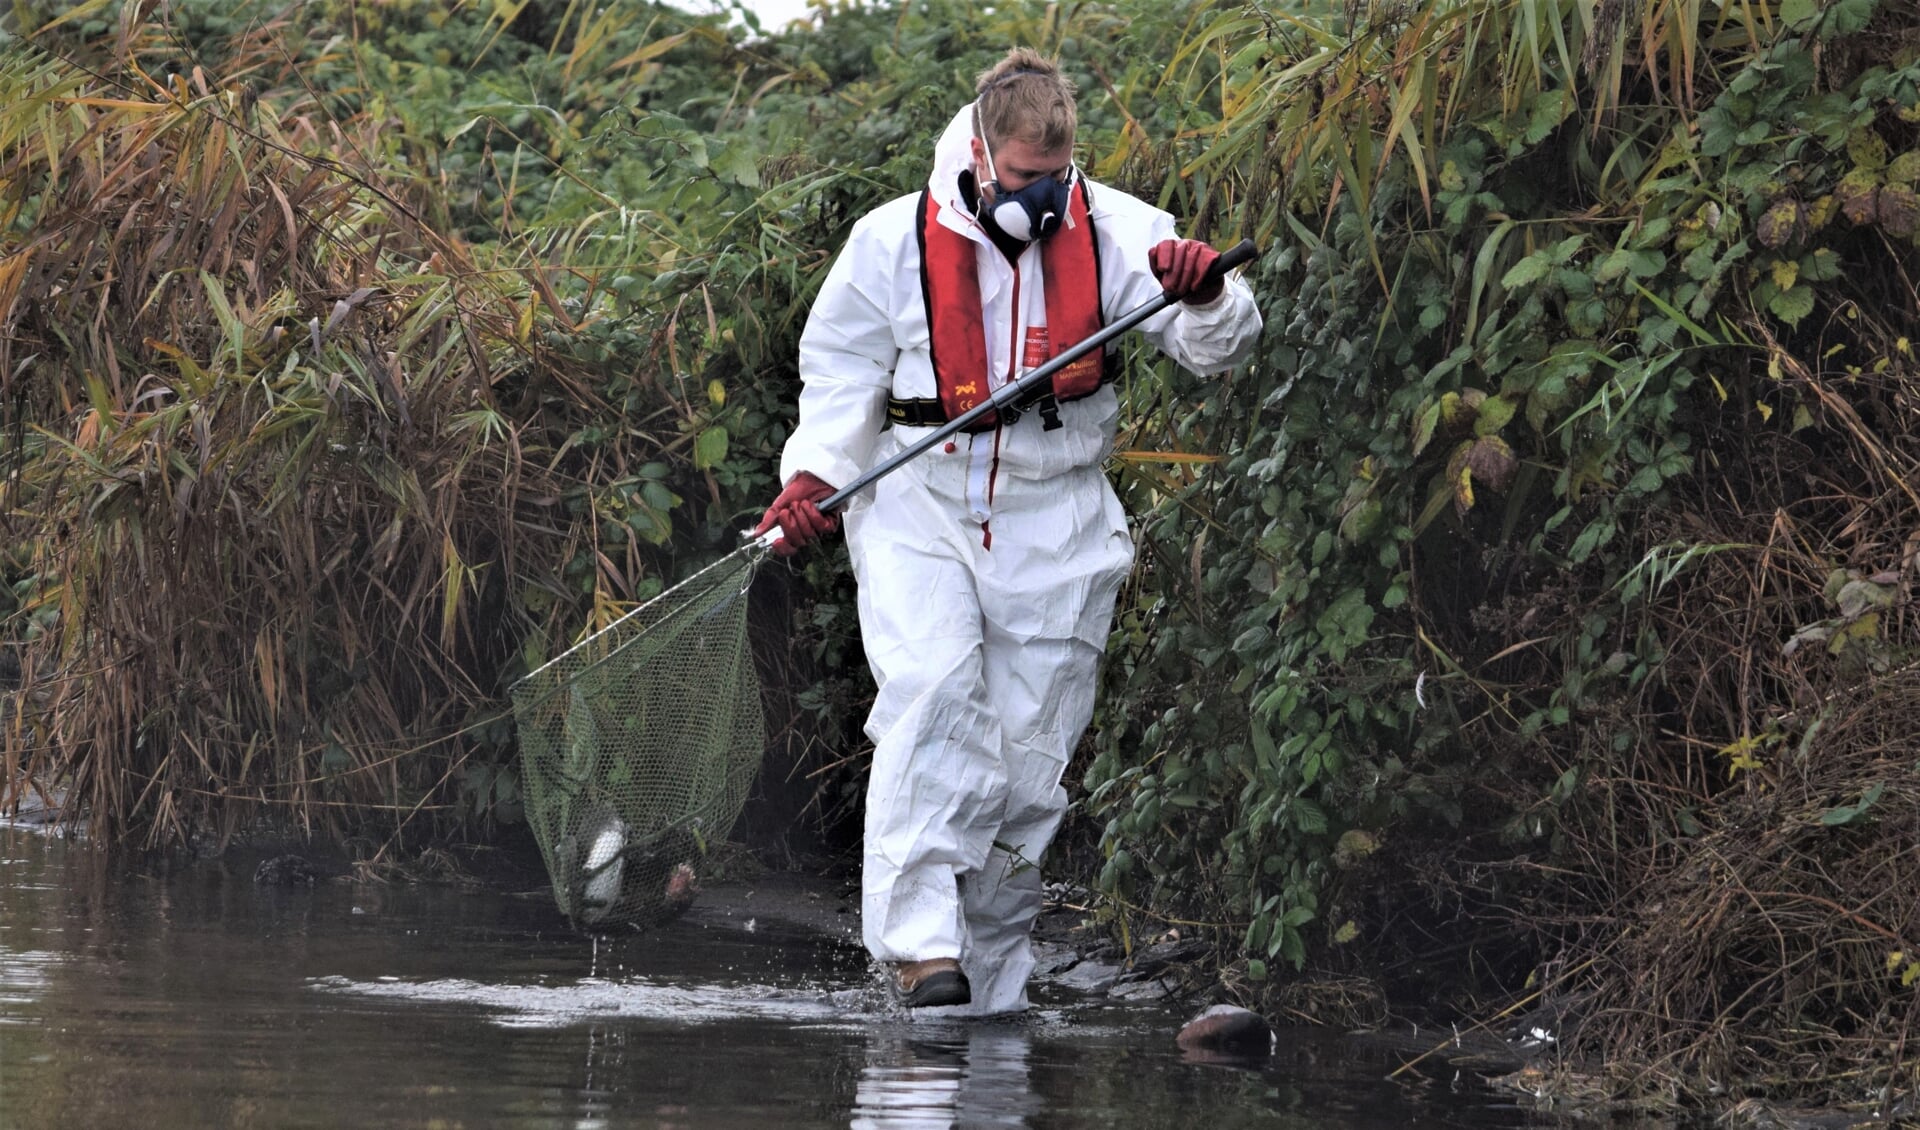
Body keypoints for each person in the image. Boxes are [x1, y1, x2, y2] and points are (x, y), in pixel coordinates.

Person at [756, 47, 1262, 1015]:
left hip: (1060, 511)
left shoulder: (1120, 230)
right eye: (1024, 177)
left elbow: (1217, 352)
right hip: (920, 501)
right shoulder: (891, 238)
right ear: (984, 154)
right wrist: (814, 474)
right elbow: (839, 374)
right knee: (935, 691)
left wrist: (1206, 294)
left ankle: (983, 988)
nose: (1039, 193)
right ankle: (917, 947)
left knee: (1032, 756)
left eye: (1055, 177)